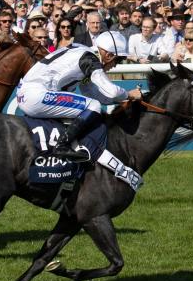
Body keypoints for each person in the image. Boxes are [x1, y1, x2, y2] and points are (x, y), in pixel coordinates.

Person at [15, 31, 144, 187]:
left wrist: (122, 99)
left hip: (29, 93)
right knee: (92, 106)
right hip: (36, 95)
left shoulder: (83, 52)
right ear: (109, 55)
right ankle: (62, 146)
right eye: (118, 60)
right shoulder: (90, 59)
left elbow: (94, 94)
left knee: (91, 105)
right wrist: (130, 94)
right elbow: (111, 91)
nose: (115, 65)